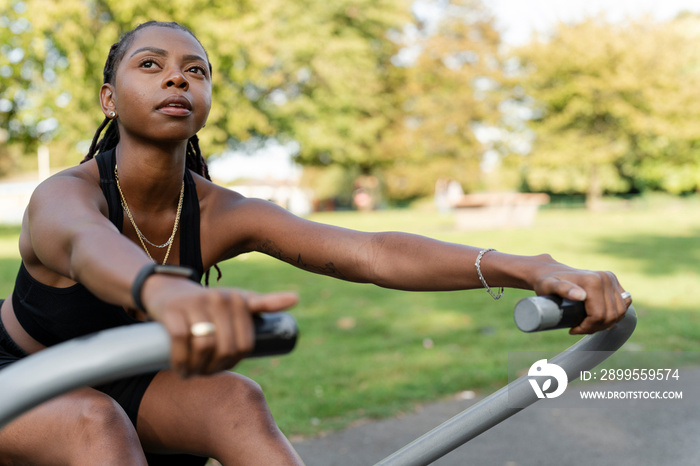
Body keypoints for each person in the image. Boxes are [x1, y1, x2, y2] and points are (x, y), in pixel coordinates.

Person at [0, 21, 631, 465]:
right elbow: (87, 246)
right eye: (151, 66)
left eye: (196, 71)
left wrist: (529, 267)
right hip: (17, 377)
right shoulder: (66, 196)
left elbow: (371, 252)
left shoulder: (220, 212)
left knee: (234, 399)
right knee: (93, 425)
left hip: (127, 381)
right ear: (109, 98)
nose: (177, 80)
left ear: (208, 99)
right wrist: (157, 290)